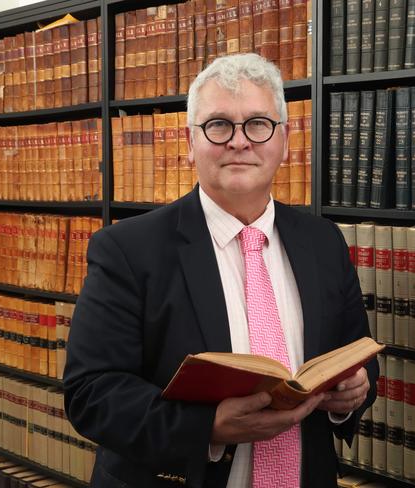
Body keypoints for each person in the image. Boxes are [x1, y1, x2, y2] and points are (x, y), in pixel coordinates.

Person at [64, 53, 378, 488]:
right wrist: (206, 426)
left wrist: (351, 395)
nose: (239, 141)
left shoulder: (323, 242)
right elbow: (91, 395)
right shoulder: (126, 249)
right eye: (218, 125)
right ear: (190, 143)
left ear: (284, 141)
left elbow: (355, 356)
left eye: (257, 124)